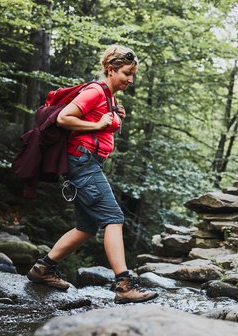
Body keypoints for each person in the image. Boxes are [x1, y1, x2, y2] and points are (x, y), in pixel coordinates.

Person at [27, 45, 158, 304]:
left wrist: (113, 118)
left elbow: (100, 127)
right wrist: (98, 123)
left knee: (87, 226)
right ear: (110, 70)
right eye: (126, 74)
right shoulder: (95, 91)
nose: (130, 80)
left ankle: (42, 269)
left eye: (133, 75)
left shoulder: (108, 97)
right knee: (114, 217)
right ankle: (124, 285)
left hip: (89, 163)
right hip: (83, 163)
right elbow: (64, 118)